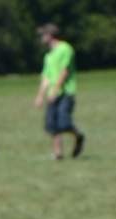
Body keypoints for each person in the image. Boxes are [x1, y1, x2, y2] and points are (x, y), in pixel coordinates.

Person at [34, 23, 84, 160]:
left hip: (66, 92)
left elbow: (65, 71)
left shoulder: (65, 48)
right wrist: (40, 96)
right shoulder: (48, 56)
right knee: (52, 124)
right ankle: (58, 153)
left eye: (43, 35)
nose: (41, 38)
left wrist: (55, 90)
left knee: (64, 123)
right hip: (52, 94)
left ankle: (78, 136)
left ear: (50, 35)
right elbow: (46, 77)